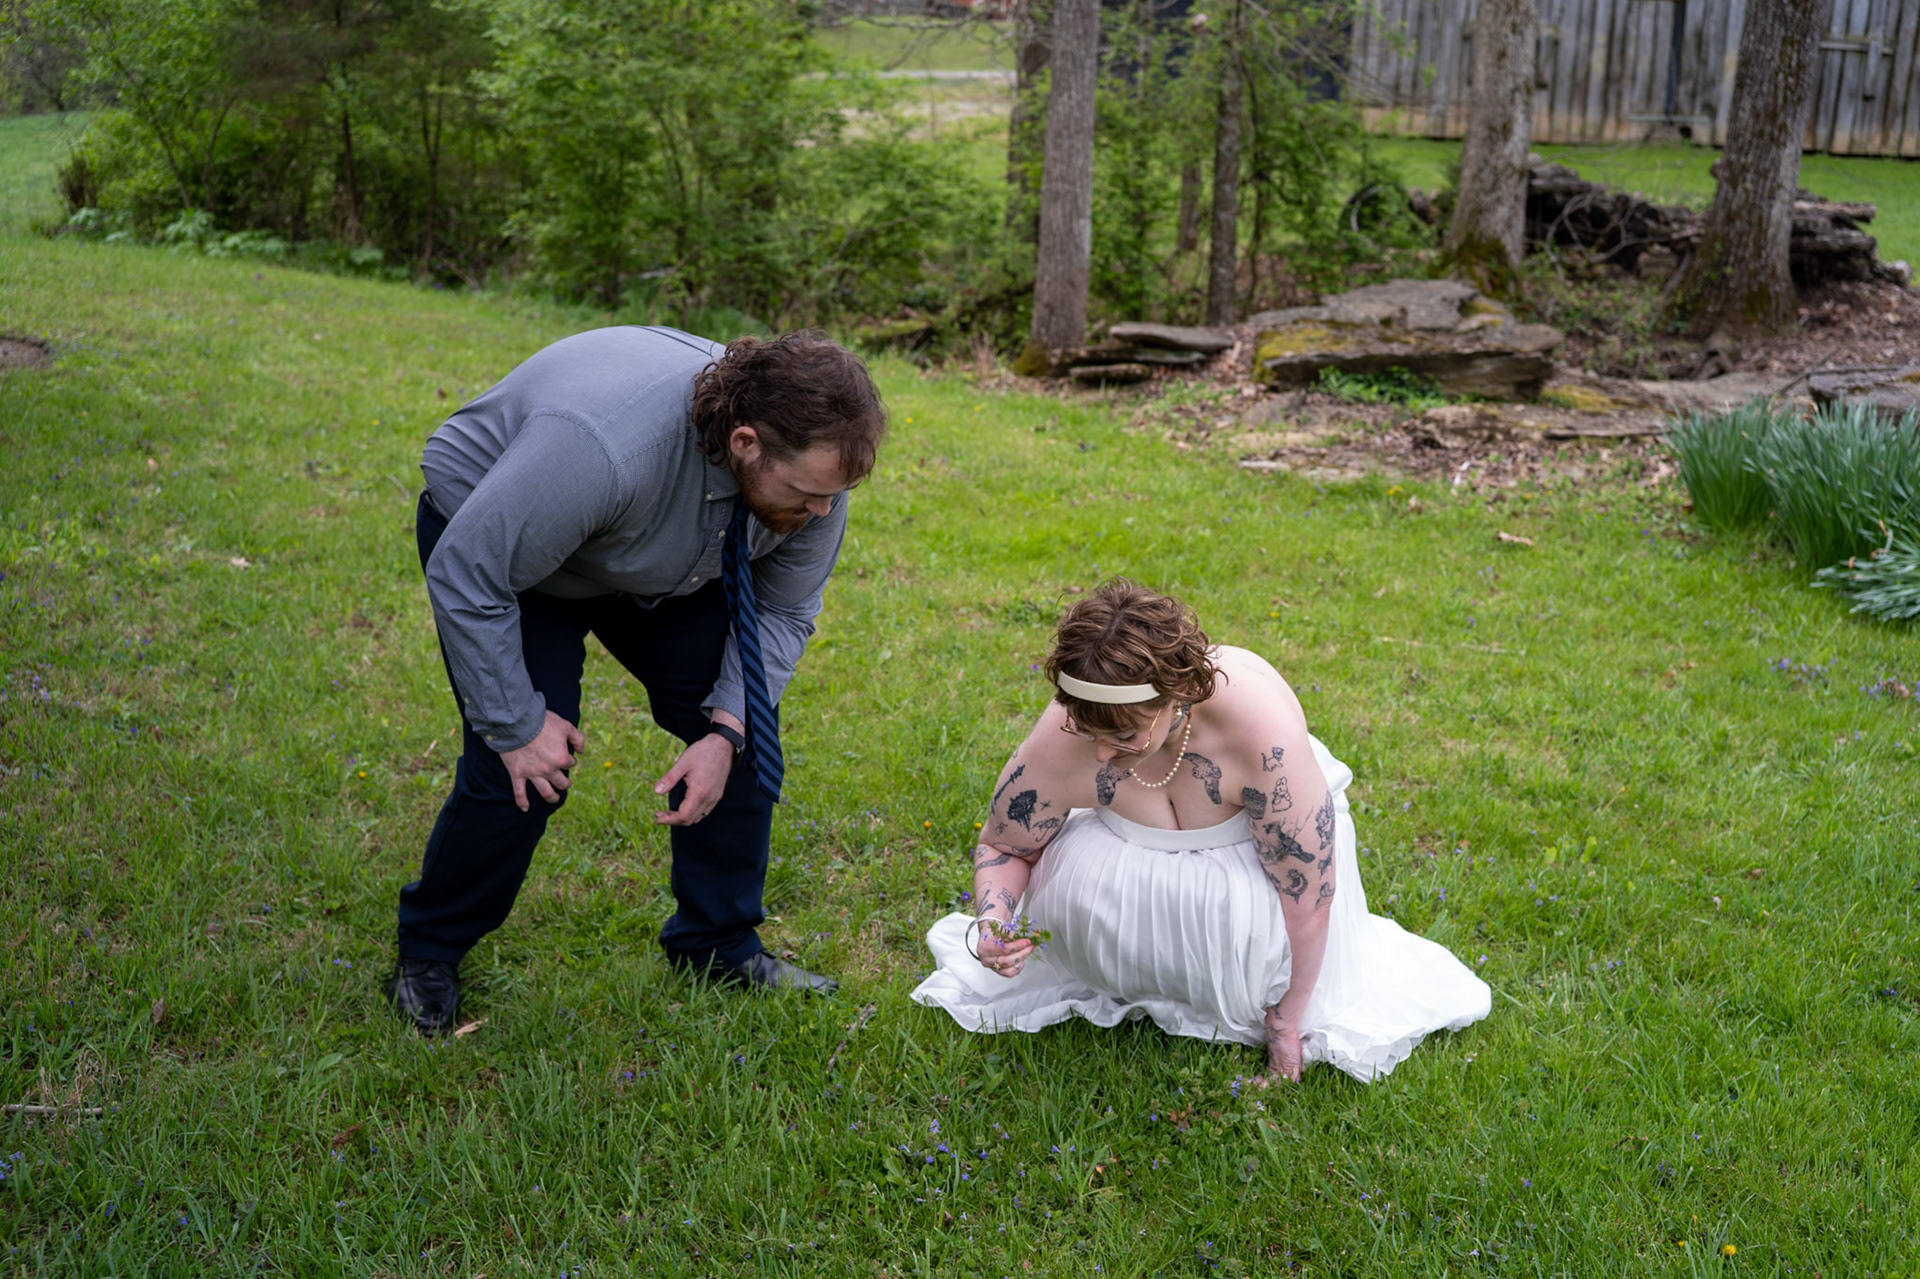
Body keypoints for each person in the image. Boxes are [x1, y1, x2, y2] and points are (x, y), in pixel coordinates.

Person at [388, 326, 885, 1035]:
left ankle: (717, 943)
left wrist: (725, 731)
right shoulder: (601, 448)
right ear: (746, 443)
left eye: (835, 495)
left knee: (745, 735)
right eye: (808, 493)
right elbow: (470, 572)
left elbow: (782, 610)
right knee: (521, 773)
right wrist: (516, 726)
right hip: (508, 557)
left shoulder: (816, 481)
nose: (823, 513)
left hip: (654, 559)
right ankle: (430, 950)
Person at [911, 580, 1490, 1082]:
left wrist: (1287, 1020)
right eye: (1087, 732)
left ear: (1179, 696)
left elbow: (1308, 895)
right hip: (1126, 867)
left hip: (1256, 878)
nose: (1102, 753)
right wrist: (993, 923)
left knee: (1266, 934)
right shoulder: (1068, 732)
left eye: (1126, 736)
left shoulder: (1256, 735)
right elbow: (1005, 844)